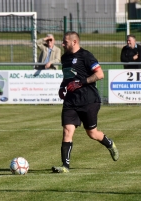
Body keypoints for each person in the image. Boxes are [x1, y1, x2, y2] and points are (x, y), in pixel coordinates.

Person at [51, 31, 119, 173]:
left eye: (65, 42)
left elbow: (100, 74)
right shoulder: (64, 58)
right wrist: (62, 87)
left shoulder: (86, 56)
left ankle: (109, 143)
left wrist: (81, 83)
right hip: (70, 101)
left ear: (74, 42)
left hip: (88, 100)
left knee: (92, 133)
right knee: (67, 131)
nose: (62, 44)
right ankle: (65, 167)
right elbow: (68, 76)